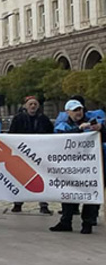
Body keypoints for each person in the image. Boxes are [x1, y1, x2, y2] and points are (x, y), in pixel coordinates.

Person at [50, 99, 104, 234]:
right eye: (75, 110)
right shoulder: (63, 125)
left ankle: (88, 223)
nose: (78, 112)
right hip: (71, 166)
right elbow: (60, 139)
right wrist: (79, 129)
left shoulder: (94, 121)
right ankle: (65, 221)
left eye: (80, 109)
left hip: (91, 167)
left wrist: (100, 128)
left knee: (91, 193)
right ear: (68, 112)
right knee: (68, 193)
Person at [9, 96, 54, 215]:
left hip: (40, 154)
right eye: (30, 104)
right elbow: (11, 134)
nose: (33, 106)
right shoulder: (18, 119)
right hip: (22, 154)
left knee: (42, 178)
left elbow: (51, 134)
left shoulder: (43, 119)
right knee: (21, 178)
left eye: (35, 104)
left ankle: (43, 204)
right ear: (25, 106)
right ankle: (18, 202)